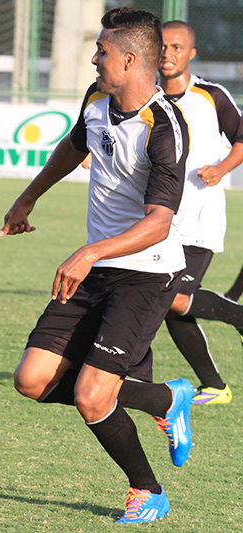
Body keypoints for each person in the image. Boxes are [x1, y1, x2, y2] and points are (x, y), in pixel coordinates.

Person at [0, 8, 194, 524]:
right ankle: (164, 399)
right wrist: (28, 198)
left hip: (147, 273)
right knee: (32, 380)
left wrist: (88, 252)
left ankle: (148, 491)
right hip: (100, 265)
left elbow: (159, 223)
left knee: (91, 395)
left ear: (130, 60)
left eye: (102, 51)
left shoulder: (165, 126)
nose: (93, 59)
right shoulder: (96, 99)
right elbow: (75, 145)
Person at [158, 20, 243, 405]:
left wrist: (222, 168)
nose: (168, 53)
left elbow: (241, 137)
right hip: (157, 220)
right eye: (162, 46)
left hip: (198, 219)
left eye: (177, 47)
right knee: (166, 304)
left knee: (174, 298)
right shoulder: (145, 97)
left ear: (191, 53)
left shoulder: (211, 95)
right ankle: (214, 386)